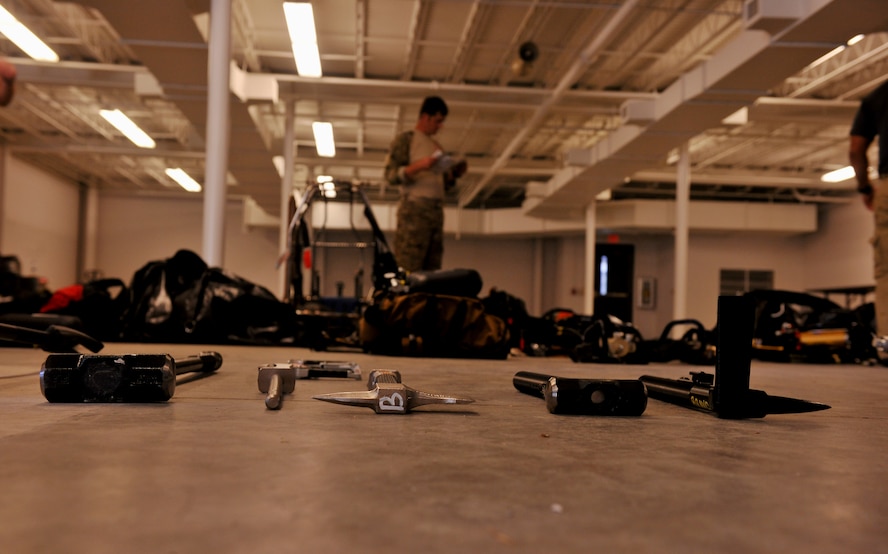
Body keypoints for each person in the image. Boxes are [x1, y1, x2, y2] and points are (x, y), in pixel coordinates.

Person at [383, 96, 466, 272]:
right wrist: (420, 165)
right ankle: (404, 298)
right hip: (414, 211)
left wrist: (454, 175)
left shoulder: (437, 147)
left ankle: (426, 299)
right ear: (425, 117)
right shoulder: (407, 140)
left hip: (435, 213)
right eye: (437, 121)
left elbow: (443, 183)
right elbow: (389, 175)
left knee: (432, 268)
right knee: (407, 265)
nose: (440, 126)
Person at [850, 79, 888, 353]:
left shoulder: (880, 95)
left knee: (886, 267)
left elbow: (856, 150)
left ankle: (887, 343)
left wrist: (865, 187)